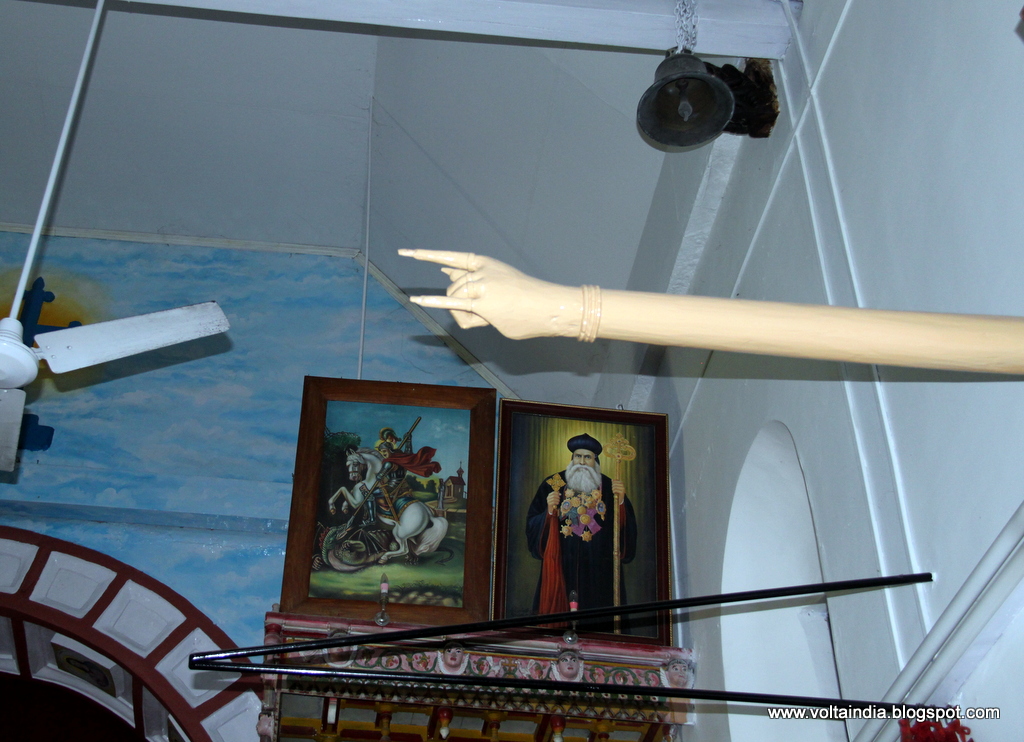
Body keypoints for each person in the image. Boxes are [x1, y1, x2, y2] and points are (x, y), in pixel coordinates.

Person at [525, 433, 637, 633]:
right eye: (578, 456)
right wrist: (549, 511)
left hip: (599, 567)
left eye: (587, 457)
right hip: (562, 562)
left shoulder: (610, 487)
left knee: (598, 621)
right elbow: (532, 524)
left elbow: (626, 532)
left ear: (596, 460)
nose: (582, 462)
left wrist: (620, 501)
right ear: (572, 458)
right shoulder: (553, 483)